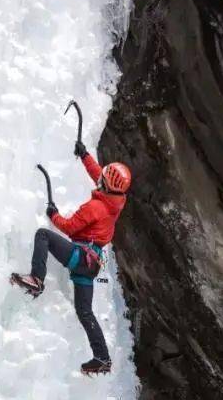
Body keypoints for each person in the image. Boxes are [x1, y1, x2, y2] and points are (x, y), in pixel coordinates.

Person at [10, 142, 132, 376]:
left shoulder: (95, 208)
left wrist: (52, 214)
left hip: (79, 257)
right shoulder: (117, 201)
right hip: (91, 265)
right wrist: (85, 155)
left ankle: (37, 279)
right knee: (85, 312)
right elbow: (100, 175)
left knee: (43, 235)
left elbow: (67, 227)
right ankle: (102, 358)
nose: (101, 177)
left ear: (107, 185)